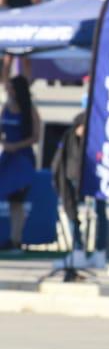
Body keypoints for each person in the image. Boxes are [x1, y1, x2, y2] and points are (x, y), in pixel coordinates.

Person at [0, 75, 41, 251]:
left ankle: (16, 238)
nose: (8, 91)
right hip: (7, 158)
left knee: (18, 200)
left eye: (11, 88)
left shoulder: (29, 110)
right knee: (9, 200)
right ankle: (11, 237)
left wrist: (16, 146)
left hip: (23, 159)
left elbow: (36, 136)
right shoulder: (5, 108)